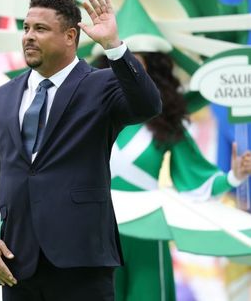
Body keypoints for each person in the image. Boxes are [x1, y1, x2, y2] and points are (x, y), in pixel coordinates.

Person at [0, 0, 162, 301]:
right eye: (27, 28)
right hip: (17, 263)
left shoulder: (102, 84)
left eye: (40, 29)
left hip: (82, 262)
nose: (29, 37)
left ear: (70, 36)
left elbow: (148, 105)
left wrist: (114, 46)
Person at [93, 52, 251, 301]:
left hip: (147, 233)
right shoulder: (90, 117)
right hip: (96, 230)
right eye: (120, 65)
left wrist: (234, 176)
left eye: (136, 65)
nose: (128, 71)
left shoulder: (166, 122)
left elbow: (195, 179)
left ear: (153, 73)